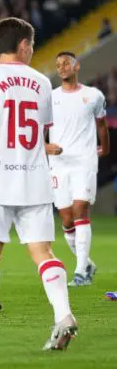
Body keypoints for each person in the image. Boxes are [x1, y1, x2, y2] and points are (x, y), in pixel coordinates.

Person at [0, 17, 77, 350]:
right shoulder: (42, 82)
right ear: (24, 45)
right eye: (33, 44)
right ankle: (63, 314)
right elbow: (37, 136)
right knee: (43, 252)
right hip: (35, 179)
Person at [45, 52, 110, 287]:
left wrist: (104, 148)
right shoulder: (50, 98)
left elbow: (101, 124)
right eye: (58, 64)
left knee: (80, 209)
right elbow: (40, 127)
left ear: (76, 66)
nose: (61, 68)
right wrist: (45, 147)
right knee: (66, 218)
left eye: (66, 64)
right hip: (59, 164)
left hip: (84, 160)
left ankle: (81, 271)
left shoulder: (93, 95)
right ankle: (87, 263)